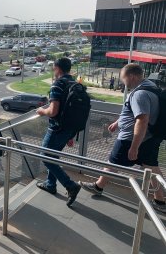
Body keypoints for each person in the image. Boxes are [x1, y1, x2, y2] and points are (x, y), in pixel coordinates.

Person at [80, 63, 166, 213]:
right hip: (151, 138)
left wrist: (134, 147)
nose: (122, 82)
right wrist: (117, 123)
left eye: (123, 78)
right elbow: (133, 114)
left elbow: (142, 120)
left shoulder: (140, 94)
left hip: (131, 139)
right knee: (151, 167)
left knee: (113, 162)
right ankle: (160, 200)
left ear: (131, 76)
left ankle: (98, 186)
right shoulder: (151, 86)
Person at [35, 57, 82, 207]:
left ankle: (70, 185)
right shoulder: (75, 83)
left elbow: (53, 111)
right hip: (69, 129)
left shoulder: (58, 84)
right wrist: (71, 134)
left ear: (57, 69)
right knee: (53, 156)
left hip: (57, 129)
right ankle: (50, 184)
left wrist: (42, 111)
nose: (53, 71)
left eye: (53, 69)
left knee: (45, 156)